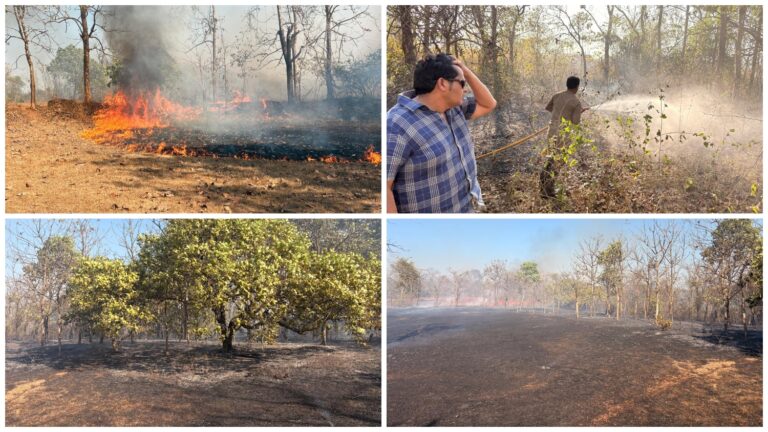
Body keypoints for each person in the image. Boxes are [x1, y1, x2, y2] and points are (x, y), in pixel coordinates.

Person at [387, 53, 497, 213]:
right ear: (443, 84)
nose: (465, 88)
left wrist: (464, 71)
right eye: (462, 82)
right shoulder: (397, 124)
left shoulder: (455, 108)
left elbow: (489, 104)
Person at [540, 76, 589, 198]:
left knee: (550, 159)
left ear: (567, 84)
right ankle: (548, 190)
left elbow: (548, 108)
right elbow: (575, 122)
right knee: (558, 162)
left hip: (552, 131)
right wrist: (579, 112)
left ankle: (543, 187)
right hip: (563, 135)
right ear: (577, 87)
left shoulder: (557, 95)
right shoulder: (576, 102)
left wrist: (558, 115)